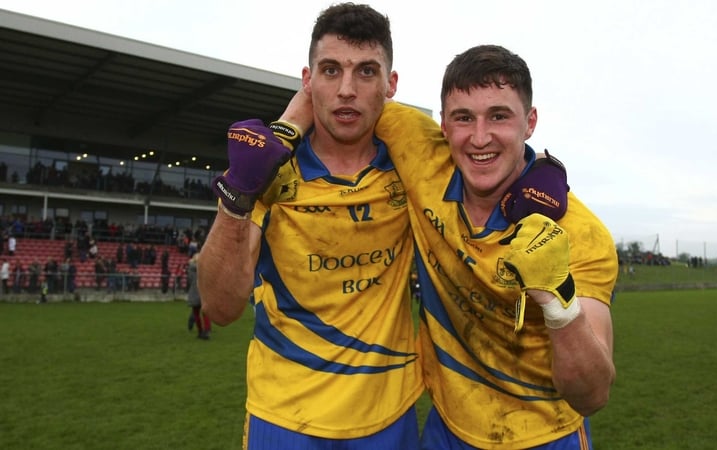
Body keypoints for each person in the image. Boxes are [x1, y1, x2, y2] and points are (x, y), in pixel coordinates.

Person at [198, 4, 423, 449]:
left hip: (387, 420)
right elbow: (221, 308)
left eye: (365, 72)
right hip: (284, 419)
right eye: (330, 69)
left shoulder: (413, 166)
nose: (345, 89)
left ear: (390, 84)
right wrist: (239, 192)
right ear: (307, 79)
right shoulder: (273, 172)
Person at [372, 45, 619, 449]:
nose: (480, 137)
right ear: (444, 126)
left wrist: (559, 303)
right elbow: (339, 95)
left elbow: (592, 395)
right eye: (463, 118)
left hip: (544, 435)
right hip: (447, 429)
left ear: (530, 122)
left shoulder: (581, 234)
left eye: (499, 116)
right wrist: (287, 127)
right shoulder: (420, 153)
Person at [186, 254, 210, 340]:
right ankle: (206, 331)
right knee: (206, 314)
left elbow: (189, 280)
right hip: (203, 292)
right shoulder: (205, 269)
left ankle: (200, 331)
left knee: (196, 314)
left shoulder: (190, 269)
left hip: (194, 293)